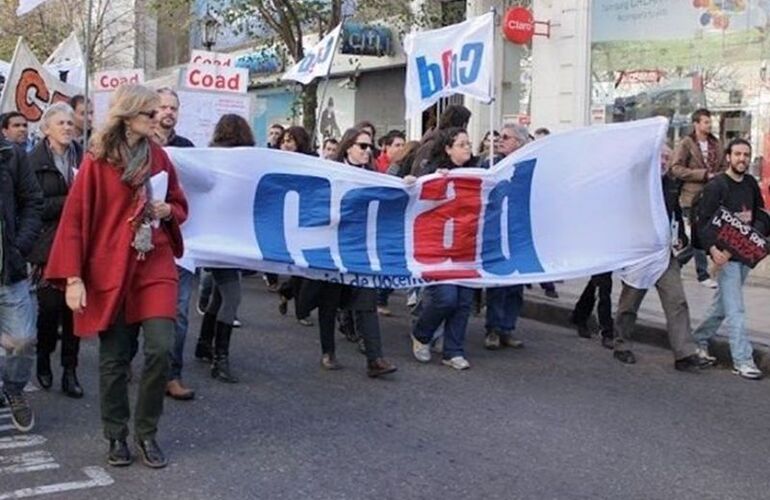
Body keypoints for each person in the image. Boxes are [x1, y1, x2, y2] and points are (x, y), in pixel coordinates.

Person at [45, 84, 189, 468]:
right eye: (149, 113)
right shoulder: (97, 160)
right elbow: (75, 220)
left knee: (160, 347)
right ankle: (116, 434)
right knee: (114, 357)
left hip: (154, 262)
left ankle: (147, 432)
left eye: (157, 112)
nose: (157, 118)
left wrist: (167, 211)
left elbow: (179, 203)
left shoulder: (159, 157)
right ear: (128, 116)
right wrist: (73, 277)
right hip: (111, 267)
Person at [303, 127, 397, 378]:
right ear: (348, 148)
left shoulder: (374, 174)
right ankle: (328, 351)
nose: (368, 151)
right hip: (333, 247)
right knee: (329, 301)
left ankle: (375, 359)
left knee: (367, 301)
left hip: (360, 248)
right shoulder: (331, 172)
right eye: (363, 146)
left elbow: (391, 194)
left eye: (370, 147)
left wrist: (409, 184)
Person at [612, 145, 713, 370]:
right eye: (662, 157)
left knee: (677, 301)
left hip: (664, 253)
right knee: (630, 302)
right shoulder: (636, 183)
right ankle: (622, 344)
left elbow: (675, 213)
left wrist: (680, 237)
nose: (666, 161)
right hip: (639, 254)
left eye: (668, 157)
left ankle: (684, 353)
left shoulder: (670, 184)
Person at [692, 139, 767, 380]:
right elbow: (702, 222)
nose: (742, 159)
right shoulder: (716, 186)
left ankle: (698, 340)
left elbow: (761, 214)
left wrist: (752, 235)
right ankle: (742, 360)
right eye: (737, 154)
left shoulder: (750, 184)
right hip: (725, 258)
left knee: (722, 306)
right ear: (728, 157)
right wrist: (713, 250)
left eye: (746, 154)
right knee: (736, 309)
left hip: (744, 256)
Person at [26, 103, 84, 398]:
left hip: (79, 242)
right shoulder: (32, 162)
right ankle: (44, 356)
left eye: (70, 123)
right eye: (60, 123)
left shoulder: (84, 157)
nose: (67, 127)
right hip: (47, 245)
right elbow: (33, 204)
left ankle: (70, 370)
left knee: (76, 309)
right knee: (49, 309)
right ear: (46, 128)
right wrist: (69, 201)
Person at [410, 127, 476, 370]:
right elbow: (417, 199)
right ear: (448, 149)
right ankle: (422, 334)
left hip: (466, 248)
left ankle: (453, 351)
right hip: (438, 250)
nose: (468, 147)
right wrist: (425, 182)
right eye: (461, 144)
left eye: (468, 143)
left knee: (463, 301)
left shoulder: (476, 173)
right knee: (446, 298)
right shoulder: (433, 172)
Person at [195, 115, 253, 383]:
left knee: (221, 294)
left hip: (217, 235)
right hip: (230, 238)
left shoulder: (211, 157)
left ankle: (205, 344)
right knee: (232, 296)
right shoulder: (245, 160)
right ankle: (221, 359)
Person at [154, 87, 197, 401]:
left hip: (179, 242)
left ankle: (172, 374)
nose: (168, 112)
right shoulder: (138, 145)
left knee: (179, 312)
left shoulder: (189, 148)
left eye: (174, 108)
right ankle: (128, 359)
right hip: (142, 243)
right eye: (163, 107)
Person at [0, 130, 44, 432]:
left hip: (8, 268)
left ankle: (14, 387)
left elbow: (32, 202)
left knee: (23, 338)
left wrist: (20, 247)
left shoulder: (11, 154)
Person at [671, 109, 722, 289]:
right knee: (699, 235)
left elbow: (722, 166)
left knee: (702, 236)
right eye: (706, 122)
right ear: (696, 124)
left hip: (712, 197)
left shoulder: (716, 144)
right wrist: (703, 175)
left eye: (710, 122)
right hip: (691, 198)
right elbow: (675, 168)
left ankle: (674, 264)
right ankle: (702, 275)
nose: (709, 125)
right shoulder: (687, 143)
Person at [273, 126, 316, 326]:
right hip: (285, 219)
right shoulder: (274, 161)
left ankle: (288, 292)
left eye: (290, 140)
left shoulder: (312, 162)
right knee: (300, 265)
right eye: (283, 141)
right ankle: (302, 310)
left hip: (306, 218)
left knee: (305, 265)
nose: (285, 145)